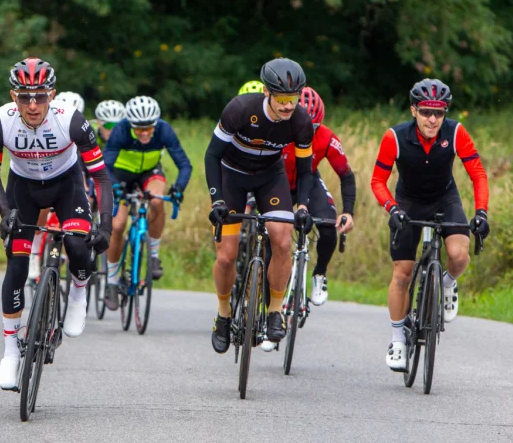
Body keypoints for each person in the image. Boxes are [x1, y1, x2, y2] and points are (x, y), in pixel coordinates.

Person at [0, 58, 113, 390]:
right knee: (15, 263)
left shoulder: (70, 120)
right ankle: (11, 354)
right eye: (25, 96)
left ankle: (79, 294)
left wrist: (106, 225)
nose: (32, 104)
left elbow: (99, 176)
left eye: (40, 96)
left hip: (66, 185)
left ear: (51, 94)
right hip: (22, 188)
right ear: (14, 96)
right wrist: (3, 211)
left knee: (76, 244)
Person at [371, 78, 490, 371]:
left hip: (444, 198)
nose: (433, 119)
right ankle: (398, 339)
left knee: (460, 255)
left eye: (439, 112)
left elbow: (478, 174)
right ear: (414, 110)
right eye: (426, 112)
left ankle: (447, 284)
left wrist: (482, 212)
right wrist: (392, 208)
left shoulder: (456, 132)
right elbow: (377, 181)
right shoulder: (395, 137)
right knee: (403, 272)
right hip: (407, 202)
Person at [205, 58, 315, 354]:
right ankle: (224, 314)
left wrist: (302, 206)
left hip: (270, 177)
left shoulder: (301, 122)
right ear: (267, 92)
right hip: (232, 176)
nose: (288, 106)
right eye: (281, 99)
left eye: (293, 99)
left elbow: (305, 171)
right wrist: (216, 199)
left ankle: (275, 310)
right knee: (227, 256)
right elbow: (211, 156)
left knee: (281, 238)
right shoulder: (240, 109)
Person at [102, 96, 192, 306]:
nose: (144, 133)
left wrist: (179, 188)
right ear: (130, 125)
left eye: (148, 128)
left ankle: (153, 255)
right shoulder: (120, 131)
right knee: (117, 226)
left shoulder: (164, 130)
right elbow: (104, 166)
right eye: (139, 129)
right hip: (120, 176)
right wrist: (114, 186)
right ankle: (112, 282)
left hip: (149, 174)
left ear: (156, 124)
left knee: (157, 202)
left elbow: (185, 165)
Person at [279, 86, 356, 308]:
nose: (306, 131)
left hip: (308, 180)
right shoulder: (277, 131)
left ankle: (319, 274)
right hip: (278, 182)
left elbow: (346, 176)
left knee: (328, 224)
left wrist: (348, 212)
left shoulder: (327, 138)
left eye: (313, 127)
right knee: (271, 235)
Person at [26, 91, 88, 281]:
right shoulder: (43, 130)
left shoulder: (82, 130)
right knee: (42, 207)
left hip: (71, 176)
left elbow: (85, 166)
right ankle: (34, 253)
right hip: (45, 175)